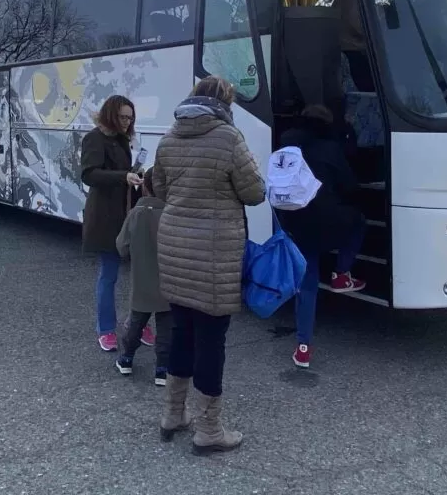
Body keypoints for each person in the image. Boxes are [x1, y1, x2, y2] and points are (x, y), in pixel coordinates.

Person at [152, 76, 266, 455]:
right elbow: (254, 193)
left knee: (182, 329)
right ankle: (209, 430)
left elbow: (160, 190)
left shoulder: (169, 138)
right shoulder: (229, 138)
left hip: (174, 247)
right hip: (213, 252)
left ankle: (172, 414)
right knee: (211, 339)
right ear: (225, 103)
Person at [276, 104, 367, 369]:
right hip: (328, 222)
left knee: (307, 287)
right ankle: (341, 273)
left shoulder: (286, 147)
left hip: (295, 223)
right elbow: (350, 186)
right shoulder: (330, 149)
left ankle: (303, 348)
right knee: (359, 222)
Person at [80, 95, 152, 352]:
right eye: (123, 117)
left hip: (128, 212)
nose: (127, 122)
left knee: (141, 275)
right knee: (108, 274)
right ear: (111, 113)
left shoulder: (123, 139)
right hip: (105, 217)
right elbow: (89, 174)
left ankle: (137, 323)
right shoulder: (94, 138)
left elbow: (124, 172)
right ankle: (106, 329)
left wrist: (136, 174)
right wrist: (124, 176)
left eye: (130, 118)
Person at [114, 167, 171, 386]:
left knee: (137, 322)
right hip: (168, 281)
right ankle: (162, 370)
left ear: (144, 187)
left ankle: (127, 358)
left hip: (142, 279)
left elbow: (122, 246)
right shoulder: (170, 215)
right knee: (167, 327)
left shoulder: (135, 214)